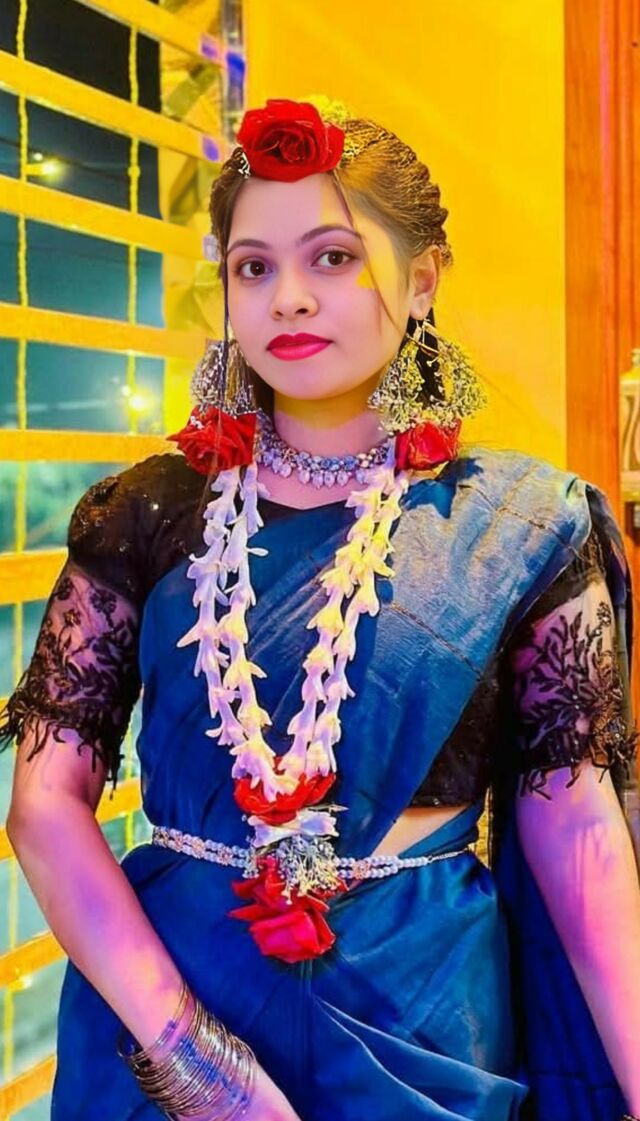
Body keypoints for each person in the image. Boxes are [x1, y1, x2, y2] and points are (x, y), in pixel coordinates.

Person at [1, 94, 640, 1121]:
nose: (288, 298)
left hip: (426, 1018)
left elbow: (576, 829)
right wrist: (197, 1066)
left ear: (423, 278)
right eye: (253, 267)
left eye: (332, 258)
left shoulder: (520, 526)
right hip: (166, 1008)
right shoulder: (145, 513)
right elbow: (44, 805)